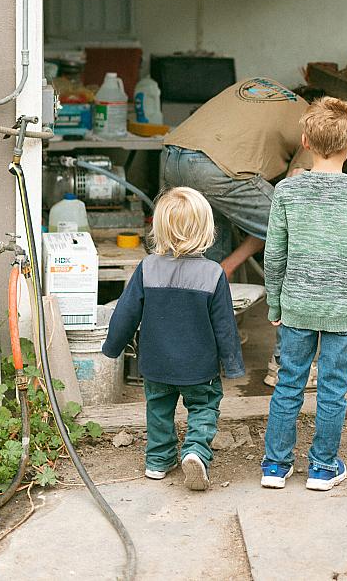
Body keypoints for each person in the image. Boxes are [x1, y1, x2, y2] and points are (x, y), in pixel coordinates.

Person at [260, 97, 347, 491]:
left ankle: (275, 467)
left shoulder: (286, 192)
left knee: (288, 384)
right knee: (333, 389)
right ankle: (322, 467)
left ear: (305, 141)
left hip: (296, 306)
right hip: (343, 309)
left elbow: (274, 255)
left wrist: (275, 302)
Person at [163, 77, 315, 387]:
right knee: (304, 238)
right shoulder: (313, 122)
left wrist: (229, 263)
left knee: (202, 252)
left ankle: (200, 357)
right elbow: (289, 209)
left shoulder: (256, 87)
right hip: (219, 169)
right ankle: (287, 364)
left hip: (172, 155)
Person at [102, 187, 244, 491]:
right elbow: (225, 326)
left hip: (155, 363)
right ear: (206, 230)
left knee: (158, 410)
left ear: (159, 229)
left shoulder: (147, 268)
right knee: (204, 408)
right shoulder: (213, 274)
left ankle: (157, 460)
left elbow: (125, 312)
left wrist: (112, 346)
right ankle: (195, 450)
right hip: (199, 367)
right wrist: (232, 365)